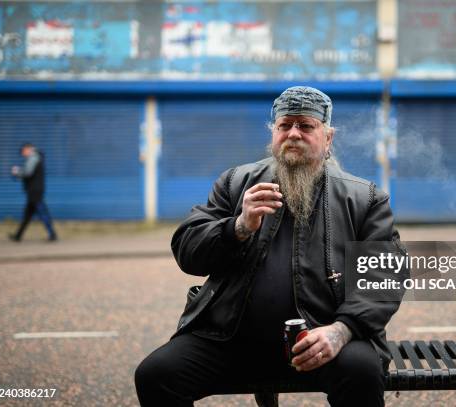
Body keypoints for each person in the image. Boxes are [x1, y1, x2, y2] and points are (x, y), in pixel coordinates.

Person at [134, 86, 409, 407]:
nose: (293, 134)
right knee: (155, 376)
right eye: (284, 125)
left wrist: (343, 329)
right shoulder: (236, 183)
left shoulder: (364, 198)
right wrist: (237, 227)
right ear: (274, 132)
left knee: (361, 371)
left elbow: (385, 275)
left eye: (306, 126)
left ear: (328, 138)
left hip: (324, 339)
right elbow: (188, 250)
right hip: (233, 340)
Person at [9, 143, 58, 242]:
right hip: (33, 191)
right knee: (28, 215)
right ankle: (18, 236)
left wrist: (17, 172)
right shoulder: (34, 158)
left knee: (42, 213)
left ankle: (52, 235)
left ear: (28, 149)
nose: (22, 154)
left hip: (35, 191)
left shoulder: (33, 158)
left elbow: (27, 172)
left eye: (23, 151)